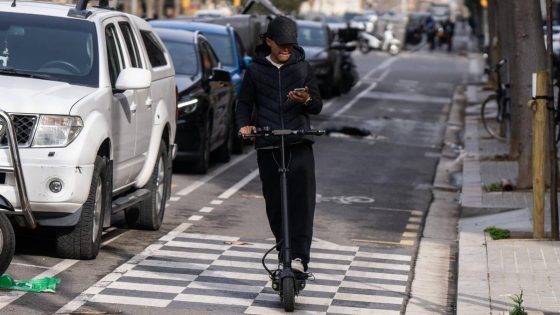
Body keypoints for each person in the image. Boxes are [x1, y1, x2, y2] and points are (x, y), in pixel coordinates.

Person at [235, 15, 323, 273]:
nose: (286, 49)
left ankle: (299, 258)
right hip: (269, 146)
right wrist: (244, 126)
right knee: (275, 205)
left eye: (291, 45)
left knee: (302, 203)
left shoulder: (304, 68)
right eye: (281, 44)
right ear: (269, 41)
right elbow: (243, 104)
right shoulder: (255, 70)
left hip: (299, 143)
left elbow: (317, 105)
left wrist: (306, 99)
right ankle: (284, 250)